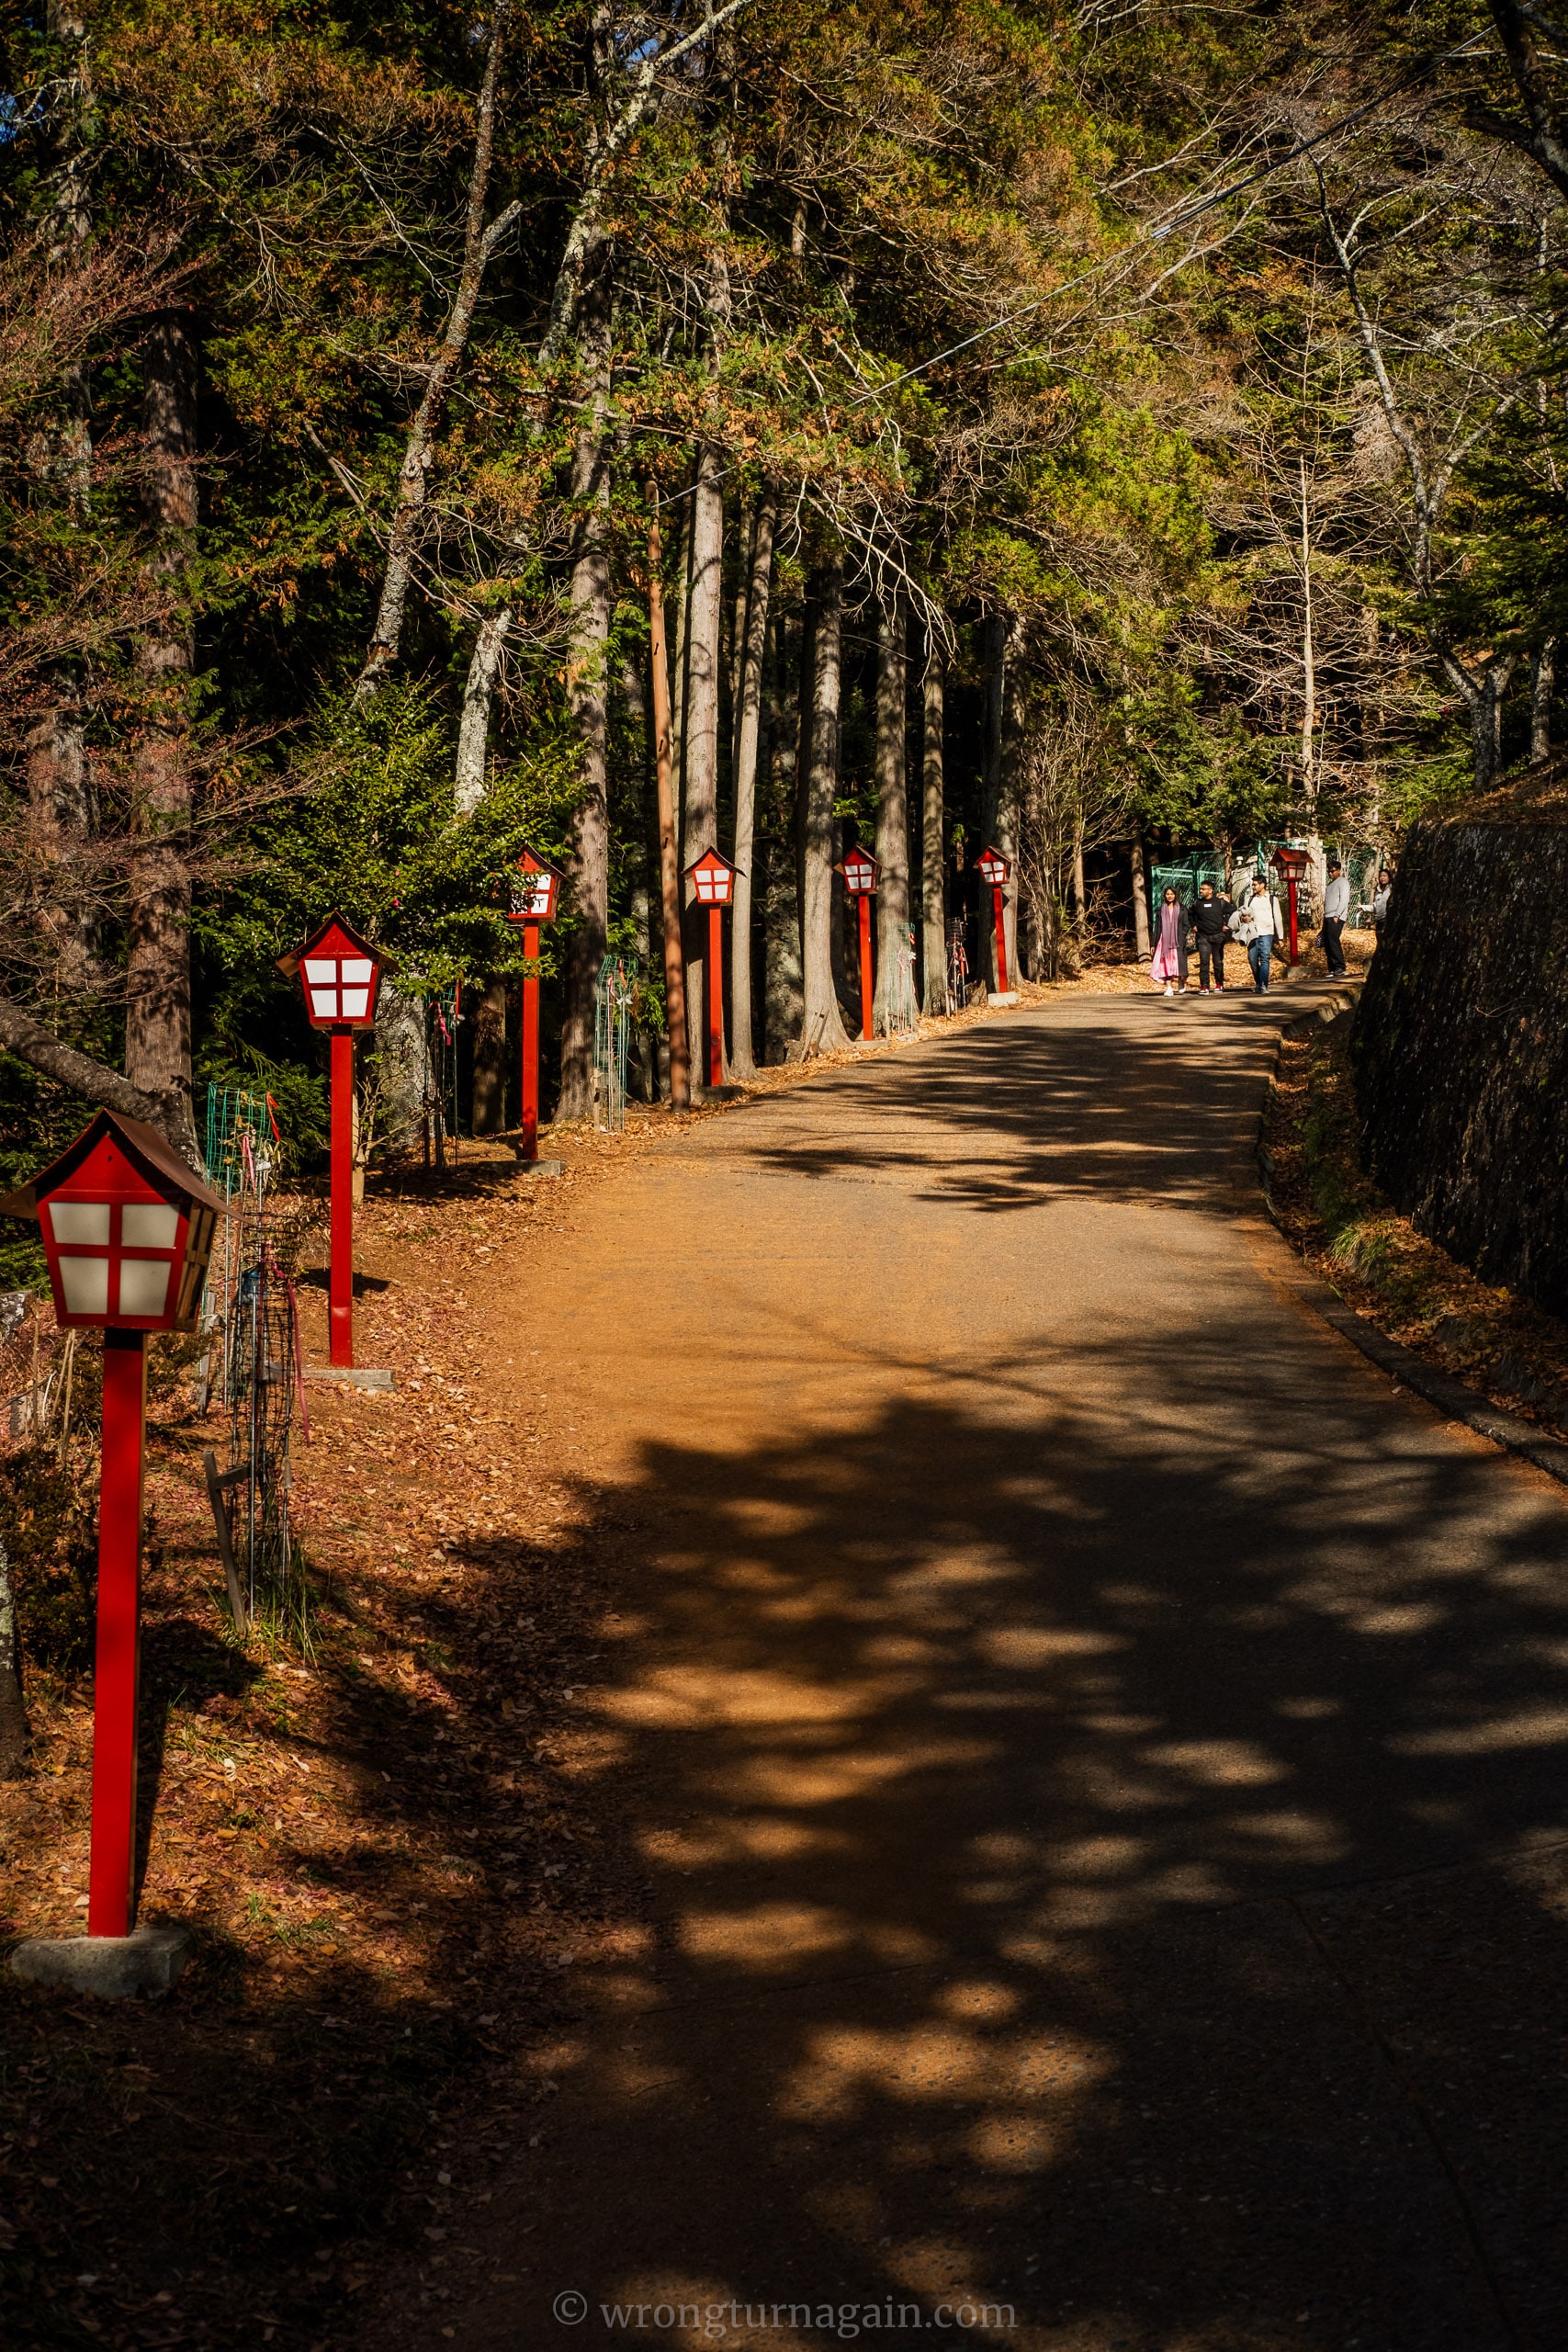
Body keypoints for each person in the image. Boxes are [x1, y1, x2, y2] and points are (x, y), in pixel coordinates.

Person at [1190, 878, 1234, 993]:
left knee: (1218, 962)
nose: (1200, 891)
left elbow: (1233, 911)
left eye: (1203, 889)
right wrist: (1193, 925)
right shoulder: (1197, 903)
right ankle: (1204, 986)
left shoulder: (1220, 902)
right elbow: (1190, 914)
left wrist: (1227, 925)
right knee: (1204, 962)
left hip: (1218, 936)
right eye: (1200, 889)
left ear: (1210, 891)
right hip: (1203, 937)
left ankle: (1219, 984)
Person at [1238, 876, 1279, 992]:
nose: (1253, 887)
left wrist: (1280, 936)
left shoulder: (1272, 899)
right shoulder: (1249, 899)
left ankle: (1263, 984)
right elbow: (1242, 913)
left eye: (1255, 884)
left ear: (1263, 885)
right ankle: (1258, 982)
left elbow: (1277, 917)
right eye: (1253, 884)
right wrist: (1243, 918)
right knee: (1252, 958)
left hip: (1266, 932)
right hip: (1252, 932)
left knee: (1265, 958)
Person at [1149, 885, 1189, 996]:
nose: (1169, 896)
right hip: (1164, 941)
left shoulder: (1182, 909)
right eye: (1167, 894)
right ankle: (1169, 987)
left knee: (1179, 963)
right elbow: (1157, 928)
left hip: (1178, 940)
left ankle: (1181, 981)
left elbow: (1186, 924)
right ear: (1164, 895)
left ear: (1175, 895)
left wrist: (1182, 935)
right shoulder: (1160, 909)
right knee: (1165, 964)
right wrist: (1154, 943)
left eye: (1171, 894)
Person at [1320, 858, 1349, 977]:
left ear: (1339, 870)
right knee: (1327, 943)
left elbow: (1344, 899)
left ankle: (1340, 967)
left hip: (1336, 916)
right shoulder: (1330, 885)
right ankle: (1332, 967)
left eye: (1332, 871)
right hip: (1328, 916)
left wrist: (1337, 914)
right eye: (1329, 871)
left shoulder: (1343, 882)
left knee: (1333, 941)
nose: (1330, 873)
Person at [1371, 867, 1393, 934]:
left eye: (1384, 876)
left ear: (1389, 877)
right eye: (1380, 876)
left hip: (1388, 919)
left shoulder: (1391, 888)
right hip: (1379, 920)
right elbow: (1375, 906)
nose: (1382, 878)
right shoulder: (1378, 891)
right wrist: (1362, 907)